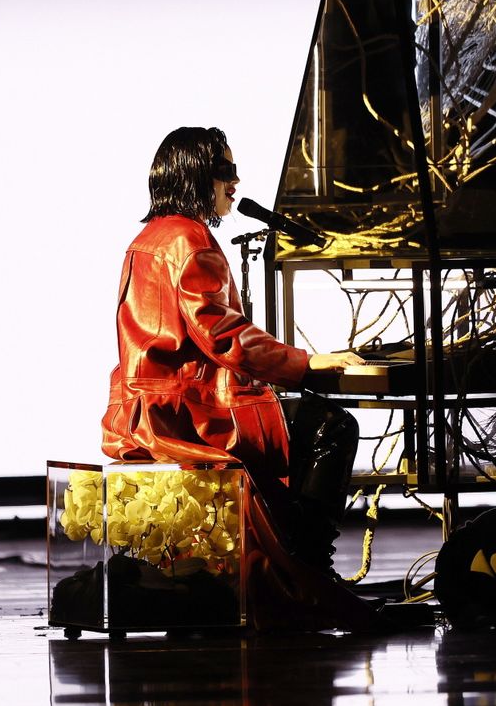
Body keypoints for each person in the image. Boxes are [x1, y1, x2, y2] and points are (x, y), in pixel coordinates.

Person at [101, 125, 379, 631]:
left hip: (149, 409)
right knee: (332, 425)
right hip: (193, 415)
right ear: (196, 175)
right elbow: (221, 333)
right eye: (225, 170)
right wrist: (305, 363)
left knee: (309, 422)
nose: (235, 181)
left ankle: (295, 556)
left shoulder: (148, 238)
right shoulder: (189, 241)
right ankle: (308, 567)